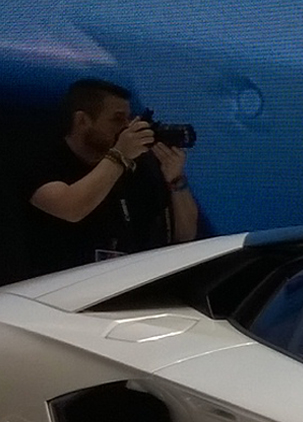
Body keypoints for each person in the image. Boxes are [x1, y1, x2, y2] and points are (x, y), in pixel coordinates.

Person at [24, 78, 199, 276]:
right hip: (58, 287)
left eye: (128, 119)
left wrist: (177, 181)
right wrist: (120, 155)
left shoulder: (140, 167)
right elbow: (71, 208)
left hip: (128, 282)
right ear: (82, 120)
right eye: (117, 119)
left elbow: (185, 235)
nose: (125, 128)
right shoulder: (42, 161)